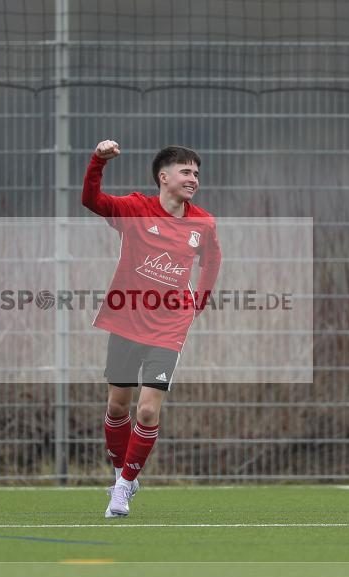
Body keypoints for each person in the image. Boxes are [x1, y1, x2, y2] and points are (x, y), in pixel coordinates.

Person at [81, 140, 222, 517]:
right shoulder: (134, 209)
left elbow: (212, 260)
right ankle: (119, 473)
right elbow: (91, 200)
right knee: (117, 405)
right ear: (164, 177)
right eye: (186, 172)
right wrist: (98, 162)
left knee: (146, 412)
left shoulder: (203, 222)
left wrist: (199, 302)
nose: (194, 179)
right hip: (126, 319)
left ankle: (124, 487)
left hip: (168, 328)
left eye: (196, 173)